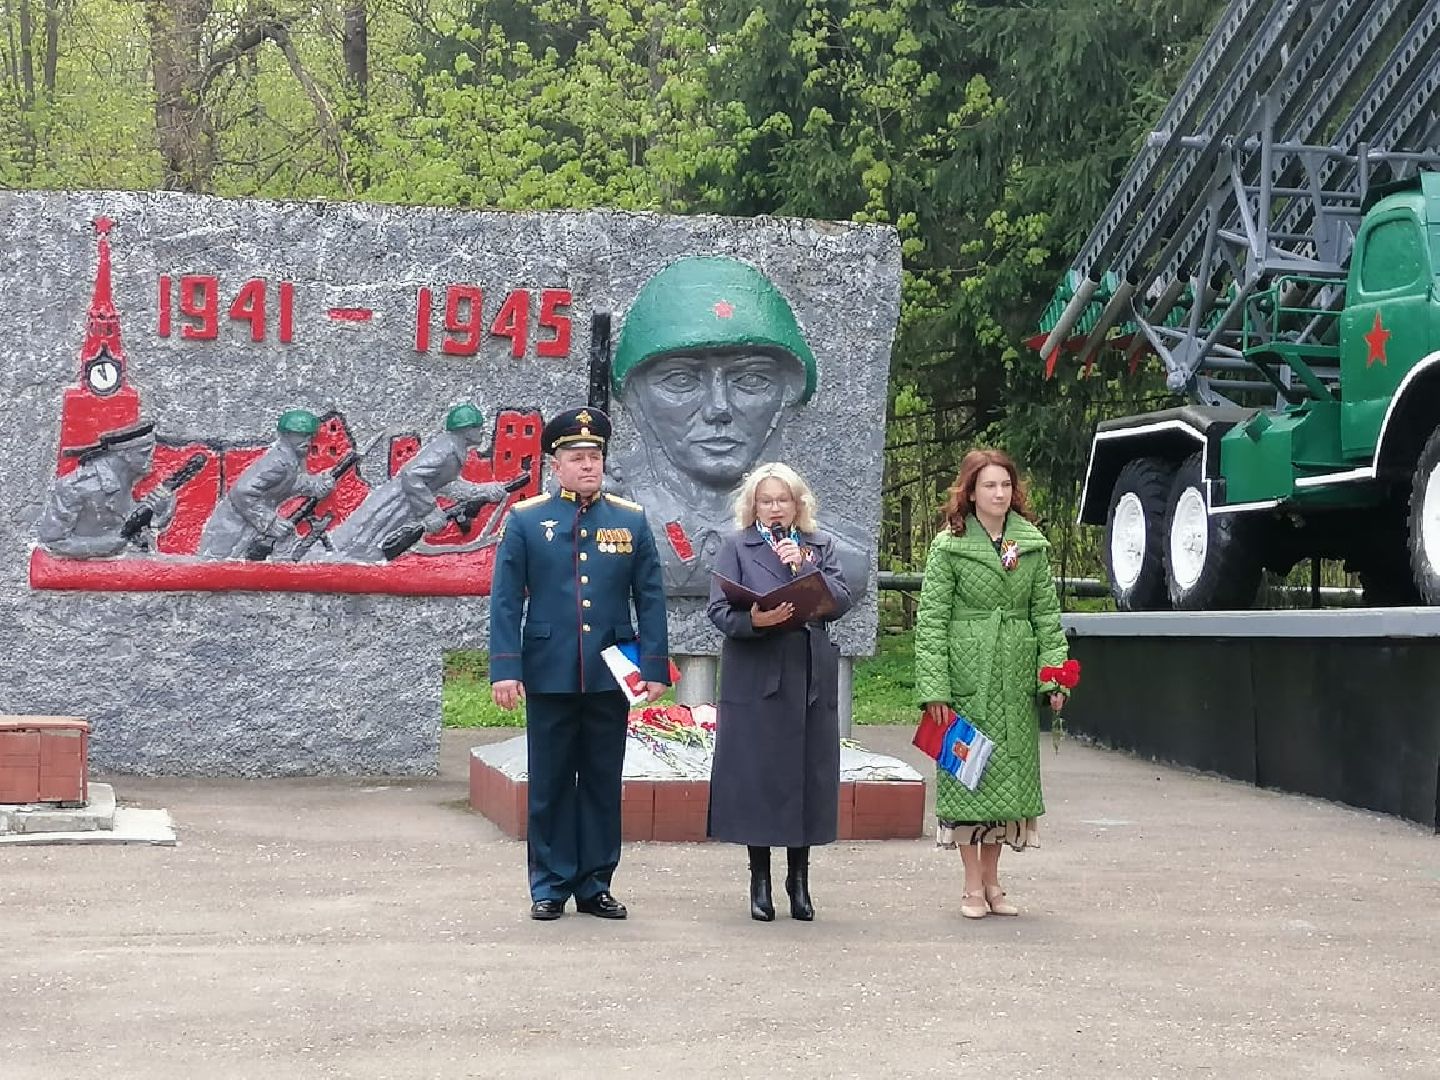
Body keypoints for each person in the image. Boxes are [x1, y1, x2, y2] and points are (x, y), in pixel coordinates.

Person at [489, 405, 671, 921]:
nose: (588, 465)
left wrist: (654, 666)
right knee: (548, 783)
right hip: (548, 669)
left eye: (595, 456)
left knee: (600, 782)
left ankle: (595, 883)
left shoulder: (629, 520)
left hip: (610, 673)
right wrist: (506, 668)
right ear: (555, 464)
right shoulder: (526, 520)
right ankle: (548, 884)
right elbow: (506, 599)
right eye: (577, 457)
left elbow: (650, 596)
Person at [606, 255, 871, 601]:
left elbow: (848, 572)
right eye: (681, 380)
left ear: (785, 392)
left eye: (750, 380)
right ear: (636, 395)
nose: (719, 408)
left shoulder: (838, 555)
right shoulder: (609, 522)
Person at [913, 449, 1071, 919]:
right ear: (971, 491)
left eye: (1005, 485)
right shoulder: (949, 546)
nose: (999, 494)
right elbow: (932, 620)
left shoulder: (1031, 545)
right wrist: (934, 687)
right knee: (969, 777)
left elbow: (1046, 616)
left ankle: (994, 879)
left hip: (1016, 679)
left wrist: (1054, 675)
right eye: (989, 486)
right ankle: (970, 884)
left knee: (1008, 779)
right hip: (966, 674)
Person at [706, 462, 853, 922]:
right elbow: (718, 609)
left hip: (807, 673)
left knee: (805, 775)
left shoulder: (819, 546)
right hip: (756, 673)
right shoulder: (736, 547)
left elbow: (842, 599)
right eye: (766, 500)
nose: (774, 508)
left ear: (797, 505)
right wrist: (754, 621)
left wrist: (805, 568)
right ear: (753, 506)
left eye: (782, 500)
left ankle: (800, 879)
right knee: (759, 776)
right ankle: (760, 879)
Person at [327, 402, 511, 561]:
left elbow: (447, 484)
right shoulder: (445, 449)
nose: (482, 431)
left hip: (410, 502)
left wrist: (484, 491)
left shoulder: (455, 450)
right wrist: (429, 510)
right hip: (399, 500)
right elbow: (411, 475)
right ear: (466, 430)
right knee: (362, 540)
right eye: (477, 427)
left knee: (371, 545)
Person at [198, 410, 335, 559]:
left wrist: (315, 485)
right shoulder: (277, 462)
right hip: (232, 528)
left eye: (310, 436)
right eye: (301, 435)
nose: (307, 441)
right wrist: (270, 522)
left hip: (247, 525)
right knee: (217, 567)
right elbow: (242, 492)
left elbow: (290, 483)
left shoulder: (290, 460)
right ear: (286, 435)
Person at [36, 421, 176, 557]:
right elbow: (53, 541)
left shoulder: (127, 478)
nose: (152, 458)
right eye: (144, 453)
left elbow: (127, 525)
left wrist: (157, 515)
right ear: (125, 454)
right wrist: (105, 546)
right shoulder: (78, 487)